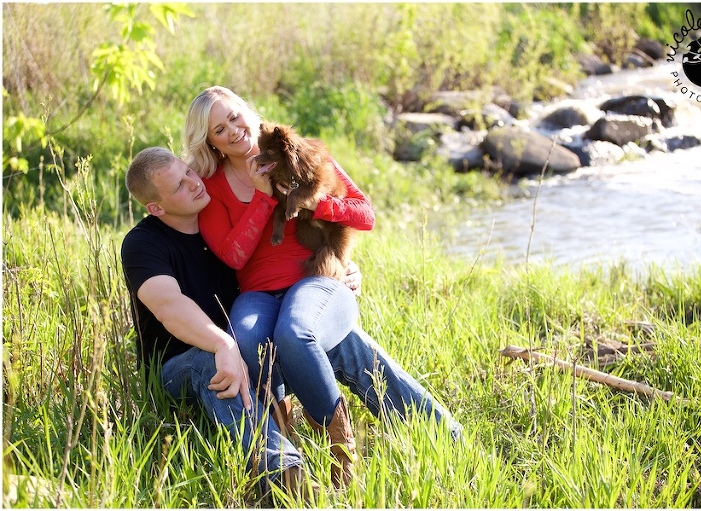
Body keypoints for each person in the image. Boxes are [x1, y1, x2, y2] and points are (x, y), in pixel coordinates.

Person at [183, 86, 462, 487]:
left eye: (234, 116)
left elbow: (363, 213)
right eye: (218, 129)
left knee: (296, 332)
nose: (232, 130)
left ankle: (341, 446)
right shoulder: (213, 187)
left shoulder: (293, 149)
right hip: (258, 293)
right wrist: (263, 199)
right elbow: (234, 257)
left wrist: (315, 205)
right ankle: (288, 447)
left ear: (249, 110)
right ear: (210, 141)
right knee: (246, 341)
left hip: (315, 282)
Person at [120, 147, 310, 497]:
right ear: (156, 208)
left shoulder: (220, 224)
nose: (193, 183)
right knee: (210, 362)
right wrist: (222, 344)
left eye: (188, 172)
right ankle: (284, 477)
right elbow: (169, 306)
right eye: (178, 186)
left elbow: (280, 263)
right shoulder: (142, 243)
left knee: (305, 331)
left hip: (242, 347)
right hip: (176, 366)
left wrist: (338, 269)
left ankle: (421, 419)